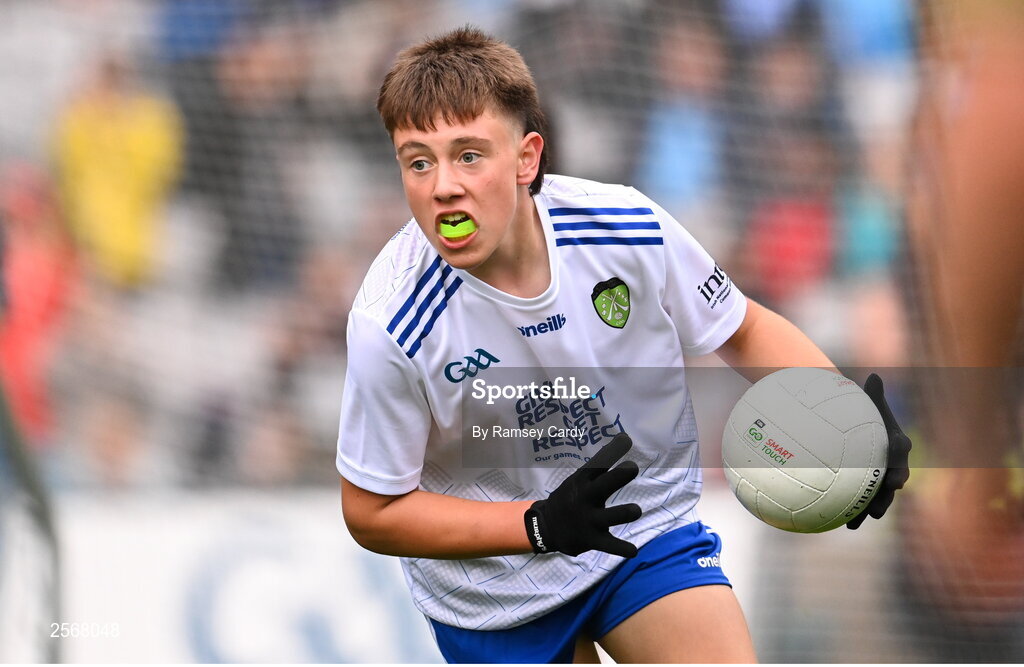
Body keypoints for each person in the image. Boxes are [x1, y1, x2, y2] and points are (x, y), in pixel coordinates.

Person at [335, 27, 910, 663]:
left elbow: (742, 330)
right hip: (497, 593)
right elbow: (371, 511)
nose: (443, 185)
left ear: (527, 159)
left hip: (642, 525)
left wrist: (847, 418)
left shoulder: (626, 226)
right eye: (419, 161)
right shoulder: (392, 322)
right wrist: (535, 525)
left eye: (469, 155)